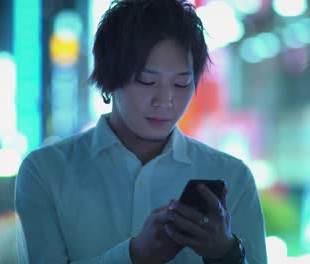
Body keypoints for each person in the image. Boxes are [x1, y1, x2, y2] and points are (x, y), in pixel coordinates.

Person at [15, 0, 268, 263]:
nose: (165, 99)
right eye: (147, 81)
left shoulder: (232, 177)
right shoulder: (46, 172)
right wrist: (135, 256)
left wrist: (225, 255)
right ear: (108, 78)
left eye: (182, 83)